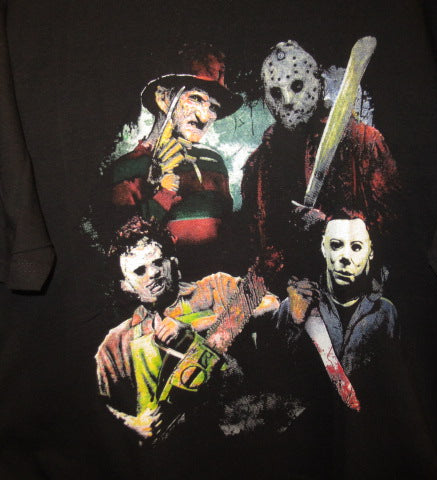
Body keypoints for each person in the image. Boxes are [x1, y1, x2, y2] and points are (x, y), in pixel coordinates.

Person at [95, 216, 277, 440]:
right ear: (126, 286)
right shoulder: (118, 342)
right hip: (177, 447)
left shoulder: (215, 287)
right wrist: (133, 425)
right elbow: (97, 407)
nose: (153, 273)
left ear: (173, 262)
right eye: (140, 271)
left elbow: (272, 304)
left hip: (244, 429)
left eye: (158, 262)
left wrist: (195, 324)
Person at [241, 40, 400, 294]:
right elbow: (256, 248)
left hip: (352, 296)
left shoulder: (363, 142)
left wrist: (329, 226)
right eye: (276, 93)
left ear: (318, 83)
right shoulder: (256, 166)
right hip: (285, 300)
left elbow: (394, 228)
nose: (288, 100)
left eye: (297, 86)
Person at [111, 46, 243, 279]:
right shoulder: (130, 168)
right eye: (196, 98)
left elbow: (228, 233)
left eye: (213, 107)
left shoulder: (214, 162)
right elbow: (122, 250)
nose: (206, 116)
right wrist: (163, 194)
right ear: (163, 98)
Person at [274, 215, 399, 402]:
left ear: (370, 252)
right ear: (323, 247)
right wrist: (295, 323)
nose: (345, 257)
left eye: (356, 247)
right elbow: (274, 373)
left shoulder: (386, 312)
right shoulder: (294, 304)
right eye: (335, 245)